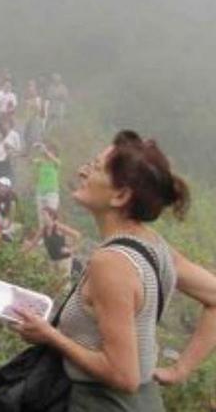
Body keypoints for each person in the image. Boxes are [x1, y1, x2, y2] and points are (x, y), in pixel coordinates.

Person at [11, 130, 216, 410]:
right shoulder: (154, 246)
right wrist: (180, 369)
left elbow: (123, 376)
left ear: (120, 195)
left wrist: (50, 335)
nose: (83, 171)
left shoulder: (111, 263)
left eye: (95, 167)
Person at [23, 206, 80, 285]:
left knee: (64, 284)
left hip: (63, 259)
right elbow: (33, 243)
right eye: (42, 214)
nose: (42, 217)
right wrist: (23, 251)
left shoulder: (58, 227)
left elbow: (77, 235)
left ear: (51, 216)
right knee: (52, 283)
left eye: (44, 214)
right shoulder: (43, 230)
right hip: (52, 259)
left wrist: (71, 249)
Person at [33, 140, 61, 228]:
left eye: (51, 150)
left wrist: (44, 148)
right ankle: (42, 238)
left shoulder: (56, 163)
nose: (49, 152)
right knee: (41, 218)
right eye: (49, 150)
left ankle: (53, 235)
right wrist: (36, 148)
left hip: (52, 193)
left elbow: (53, 159)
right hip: (40, 192)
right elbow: (30, 159)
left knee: (51, 216)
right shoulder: (41, 162)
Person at [0, 177, 21, 241]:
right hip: (4, 219)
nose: (0, 188)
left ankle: (8, 233)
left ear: (7, 187)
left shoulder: (12, 196)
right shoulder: (0, 195)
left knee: (6, 232)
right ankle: (4, 232)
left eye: (2, 186)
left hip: (12, 220)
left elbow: (13, 212)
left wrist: (8, 224)